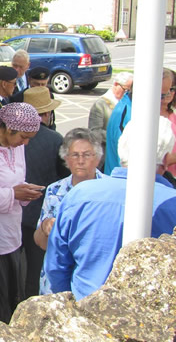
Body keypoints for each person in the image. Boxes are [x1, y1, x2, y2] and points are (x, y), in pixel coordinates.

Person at [45, 117, 176, 300]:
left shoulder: (79, 195)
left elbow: (56, 265)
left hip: (85, 309)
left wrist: (73, 304)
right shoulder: (171, 202)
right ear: (166, 158)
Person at [0, 103, 43, 337]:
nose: (26, 143)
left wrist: (24, 191)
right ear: (8, 129)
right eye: (24, 137)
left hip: (13, 232)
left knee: (13, 296)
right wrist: (14, 194)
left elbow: (14, 181)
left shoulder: (17, 147)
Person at [33, 128, 105, 295]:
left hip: (94, 280)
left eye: (87, 155)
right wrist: (45, 227)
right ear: (66, 158)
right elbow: (41, 243)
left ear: (97, 158)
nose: (80, 160)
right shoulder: (55, 191)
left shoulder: (107, 190)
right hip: (56, 281)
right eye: (74, 155)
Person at [20, 87, 70, 299]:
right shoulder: (55, 139)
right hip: (40, 216)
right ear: (46, 114)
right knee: (35, 270)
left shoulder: (13, 136)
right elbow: (64, 179)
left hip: (13, 213)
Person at [88, 72, 133, 169]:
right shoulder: (101, 104)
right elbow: (94, 132)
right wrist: (116, 136)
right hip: (104, 157)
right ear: (116, 84)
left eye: (130, 91)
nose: (127, 93)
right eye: (126, 90)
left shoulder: (128, 103)